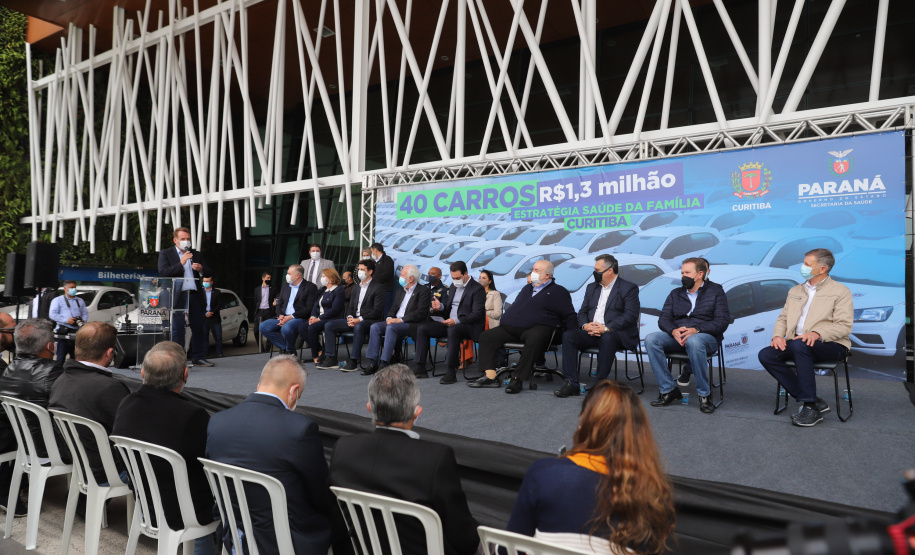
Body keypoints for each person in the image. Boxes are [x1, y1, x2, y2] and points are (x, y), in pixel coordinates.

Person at [329, 364, 480, 555]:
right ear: (416, 412)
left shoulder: (343, 448)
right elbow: (465, 539)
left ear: (369, 408)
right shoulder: (434, 459)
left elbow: (336, 521)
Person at [508, 381, 675, 554]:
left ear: (583, 423)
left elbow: (509, 549)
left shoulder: (543, 475)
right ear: (639, 434)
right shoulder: (654, 496)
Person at [206, 356, 351, 555]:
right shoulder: (299, 429)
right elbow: (320, 496)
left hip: (234, 534)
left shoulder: (217, 422)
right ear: (294, 392)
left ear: (259, 384)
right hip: (286, 542)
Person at [113, 341, 216, 554]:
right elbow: (208, 465)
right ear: (185, 374)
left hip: (146, 503)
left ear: (142, 372)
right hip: (186, 512)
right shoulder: (193, 415)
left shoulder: (126, 403)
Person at [758, 248, 853, 427]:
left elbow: (844, 326)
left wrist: (818, 334)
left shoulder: (840, 291)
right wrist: (778, 336)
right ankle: (814, 401)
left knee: (800, 345)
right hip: (798, 343)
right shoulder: (795, 290)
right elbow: (783, 318)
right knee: (766, 354)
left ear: (822, 268)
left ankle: (809, 406)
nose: (802, 267)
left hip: (831, 345)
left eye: (807, 264)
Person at [469, 260, 576, 394]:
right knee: (487, 336)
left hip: (538, 328)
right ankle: (491, 377)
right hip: (511, 327)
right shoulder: (527, 288)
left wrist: (572, 335)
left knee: (535, 337)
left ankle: (517, 379)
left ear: (547, 275)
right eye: (533, 269)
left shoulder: (559, 291)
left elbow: (569, 315)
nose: (533, 272)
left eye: (537, 270)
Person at [645, 258, 730, 414]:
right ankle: (668, 390)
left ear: (700, 274)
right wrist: (673, 331)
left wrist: (696, 329)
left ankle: (704, 395)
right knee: (651, 339)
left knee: (695, 341)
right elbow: (663, 319)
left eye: (687, 273)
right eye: (682, 272)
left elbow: (722, 321)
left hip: (705, 337)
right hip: (678, 336)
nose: (683, 276)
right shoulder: (675, 293)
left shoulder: (716, 291)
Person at [49, 322, 131, 484]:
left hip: (79, 464)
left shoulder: (60, 380)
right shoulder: (109, 388)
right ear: (110, 353)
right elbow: (132, 434)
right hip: (108, 472)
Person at [0, 319, 64, 513]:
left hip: (22, 446)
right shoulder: (53, 373)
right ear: (50, 346)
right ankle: (86, 502)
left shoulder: (8, 370)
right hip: (45, 451)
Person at [556, 255, 640, 398]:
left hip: (616, 334)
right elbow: (582, 312)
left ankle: (600, 384)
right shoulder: (591, 288)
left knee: (608, 338)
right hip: (592, 332)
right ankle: (571, 383)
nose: (594, 273)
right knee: (569, 336)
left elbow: (630, 316)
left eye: (597, 270)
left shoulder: (628, 288)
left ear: (610, 270)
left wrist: (606, 328)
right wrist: (585, 325)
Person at [413, 262, 485, 384]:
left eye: (458, 278)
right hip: (449, 322)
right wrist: (440, 307)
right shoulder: (453, 286)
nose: (455, 281)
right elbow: (449, 308)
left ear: (466, 274)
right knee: (422, 328)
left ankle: (450, 371)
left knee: (453, 330)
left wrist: (456, 321)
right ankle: (420, 368)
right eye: (453, 278)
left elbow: (477, 314)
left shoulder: (477, 289)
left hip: (468, 325)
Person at [158, 227, 213, 367]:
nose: (186, 241)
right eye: (183, 239)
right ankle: (179, 359)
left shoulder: (196, 254)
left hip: (194, 295)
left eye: (188, 239)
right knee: (177, 329)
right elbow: (164, 272)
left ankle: (198, 357)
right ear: (175, 240)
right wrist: (181, 263)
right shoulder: (166, 254)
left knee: (198, 328)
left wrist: (202, 269)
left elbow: (209, 272)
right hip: (178, 296)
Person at [319, 260, 386, 372]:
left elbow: (377, 311)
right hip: (354, 319)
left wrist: (358, 319)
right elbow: (351, 306)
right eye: (358, 269)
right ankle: (331, 358)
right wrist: (350, 317)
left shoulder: (378, 287)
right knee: (329, 325)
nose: (359, 272)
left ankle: (354, 361)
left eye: (362, 270)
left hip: (369, 321)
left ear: (370, 272)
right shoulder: (356, 287)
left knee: (359, 327)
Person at [363, 265, 431, 376]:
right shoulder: (400, 291)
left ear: (411, 278)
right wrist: (389, 318)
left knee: (391, 328)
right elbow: (394, 308)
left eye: (403, 275)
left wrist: (400, 320)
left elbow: (420, 313)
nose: (400, 277)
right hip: (396, 321)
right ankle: (373, 362)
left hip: (411, 323)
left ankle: (384, 363)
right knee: (375, 327)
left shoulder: (423, 291)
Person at [259, 264, 318, 355]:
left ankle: (289, 351)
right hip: (283, 316)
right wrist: (280, 315)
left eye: (289, 273)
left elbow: (309, 308)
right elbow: (280, 302)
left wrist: (290, 317)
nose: (287, 275)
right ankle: (286, 348)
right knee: (264, 326)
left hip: (299, 318)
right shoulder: (286, 285)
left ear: (297, 275)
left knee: (286, 328)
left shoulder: (310, 287)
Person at [307, 269, 346, 364]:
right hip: (319, 318)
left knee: (312, 328)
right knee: (302, 327)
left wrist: (318, 318)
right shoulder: (323, 290)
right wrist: (313, 316)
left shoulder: (339, 290)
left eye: (324, 276)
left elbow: (335, 310)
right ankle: (320, 350)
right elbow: (316, 306)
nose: (322, 278)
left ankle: (315, 355)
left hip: (331, 319)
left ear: (331, 278)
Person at [48, 280, 89, 362]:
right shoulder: (57, 300)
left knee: (76, 356)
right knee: (61, 356)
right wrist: (66, 320)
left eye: (75, 287)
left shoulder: (80, 300)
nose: (74, 289)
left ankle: (75, 373)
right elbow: (52, 314)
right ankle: (59, 373)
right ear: (65, 289)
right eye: (71, 288)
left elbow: (85, 313)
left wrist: (82, 321)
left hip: (77, 331)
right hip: (63, 331)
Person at [199, 276, 223, 358]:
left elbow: (219, 304)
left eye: (207, 281)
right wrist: (205, 313)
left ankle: (219, 353)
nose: (205, 283)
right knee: (205, 336)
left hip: (215, 317)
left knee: (218, 336)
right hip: (205, 318)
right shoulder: (200, 292)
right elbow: (199, 305)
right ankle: (205, 354)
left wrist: (211, 312)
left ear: (212, 282)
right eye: (204, 281)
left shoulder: (217, 292)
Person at [371, 243, 396, 316]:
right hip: (375, 290)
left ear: (375, 250)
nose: (371, 253)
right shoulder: (374, 261)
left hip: (385, 290)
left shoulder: (387, 260)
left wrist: (373, 281)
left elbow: (385, 275)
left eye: (372, 251)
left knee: (385, 311)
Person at [251, 272, 275, 346]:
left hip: (269, 311)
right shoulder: (257, 289)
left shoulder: (273, 289)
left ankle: (268, 347)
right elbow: (256, 301)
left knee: (270, 329)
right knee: (255, 330)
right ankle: (260, 346)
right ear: (263, 278)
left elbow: (275, 299)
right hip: (259, 311)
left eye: (270, 278)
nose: (269, 279)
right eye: (267, 278)